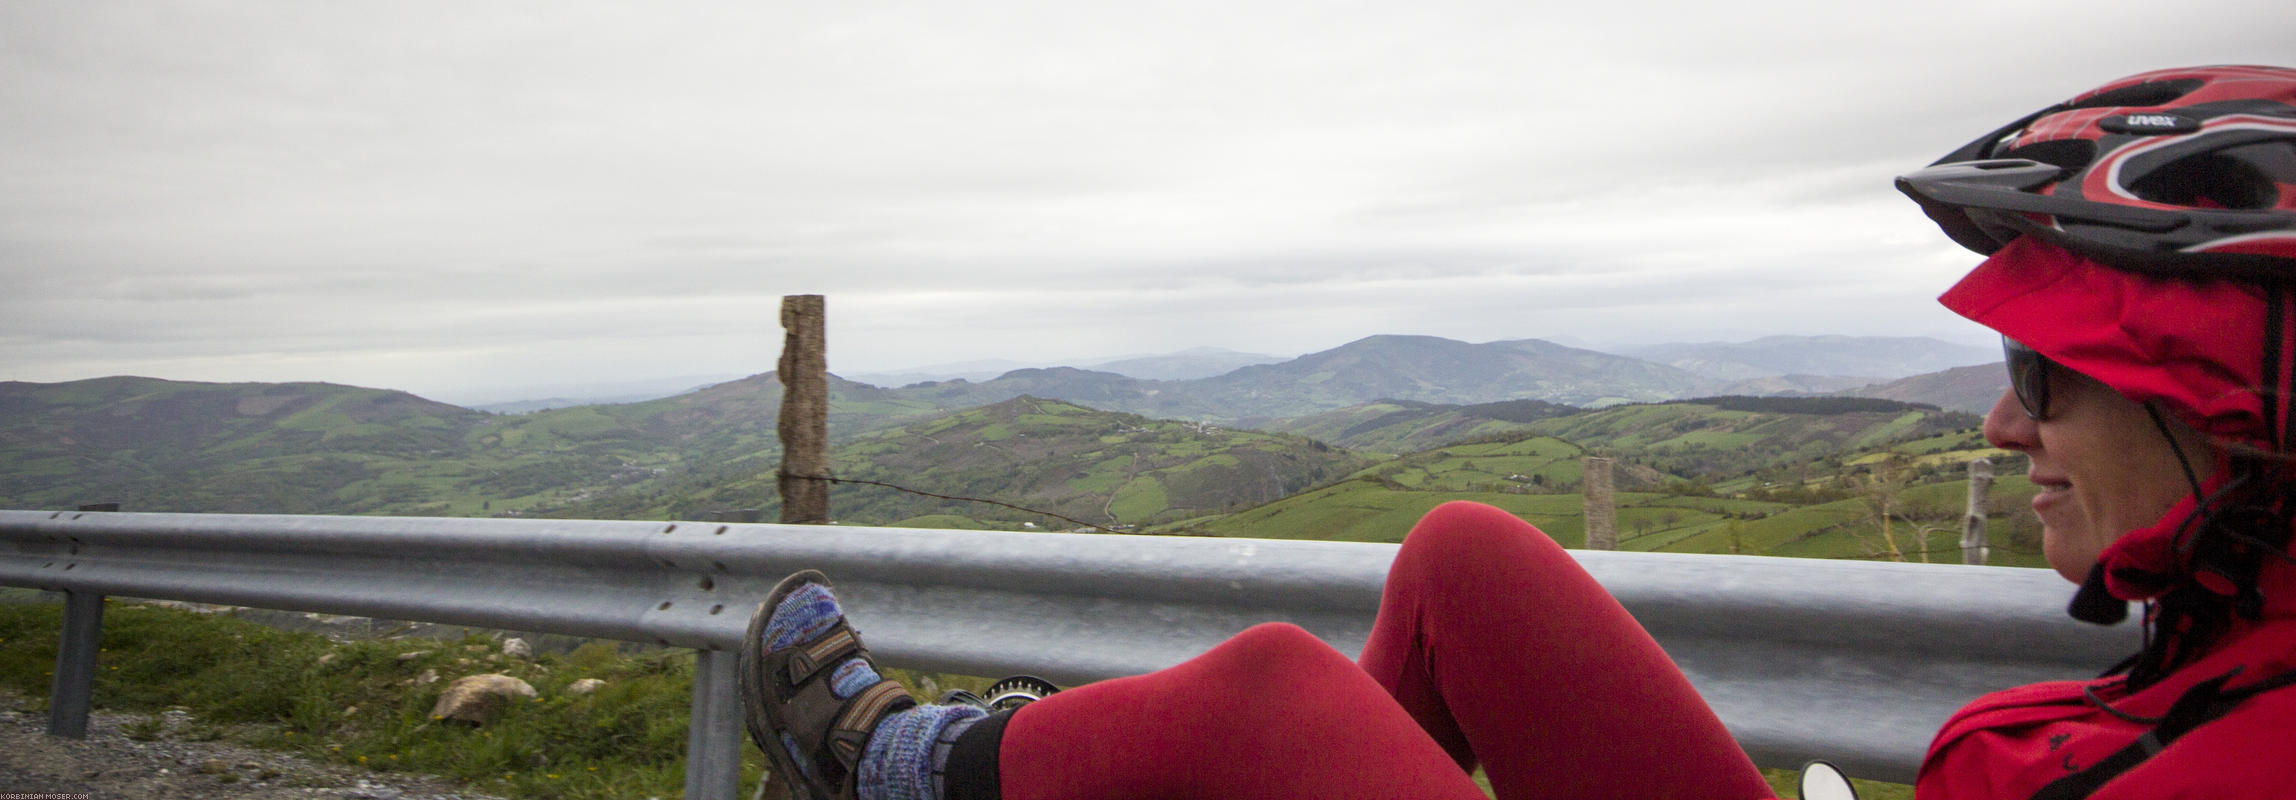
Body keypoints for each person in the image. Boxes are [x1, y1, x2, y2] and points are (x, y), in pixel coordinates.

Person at [734, 65, 2296, 800]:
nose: (2005, 414)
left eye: (2055, 366)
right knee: (1467, 558)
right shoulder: (2233, 653)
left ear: (2244, 419)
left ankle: (891, 770)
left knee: (1273, 704)